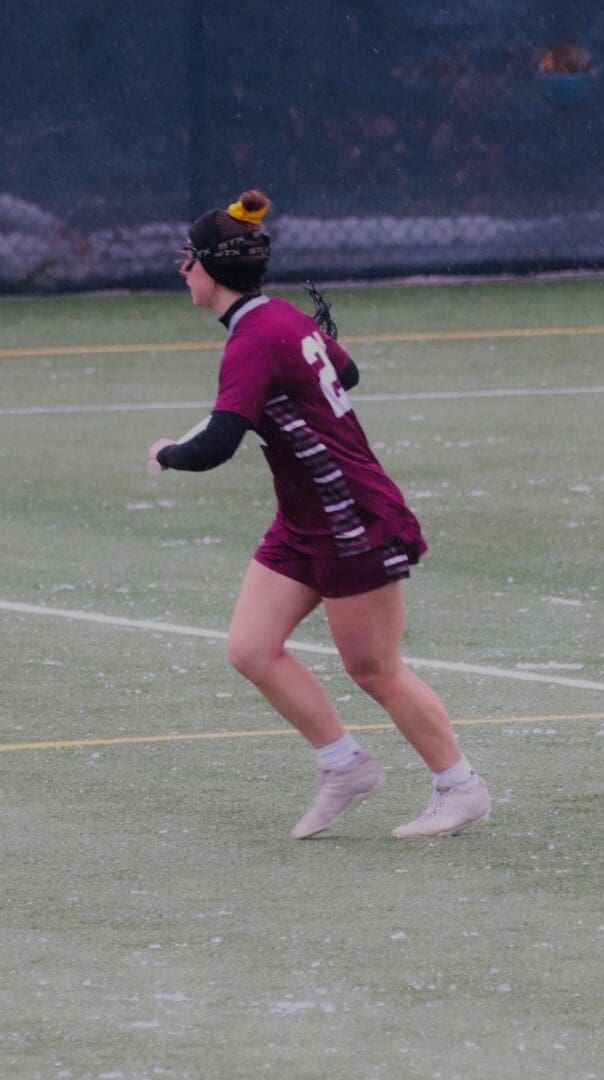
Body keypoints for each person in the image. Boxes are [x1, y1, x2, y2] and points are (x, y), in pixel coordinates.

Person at [148, 189, 491, 839]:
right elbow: (348, 371)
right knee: (252, 649)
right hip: (304, 518)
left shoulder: (256, 337)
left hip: (352, 517)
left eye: (184, 259)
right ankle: (344, 767)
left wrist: (169, 453)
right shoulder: (277, 319)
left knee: (373, 669)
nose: (181, 270)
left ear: (207, 267)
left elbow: (218, 445)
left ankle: (460, 787)